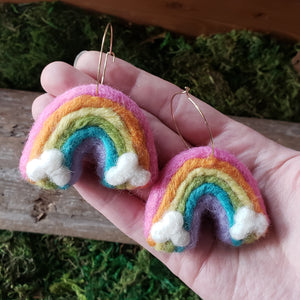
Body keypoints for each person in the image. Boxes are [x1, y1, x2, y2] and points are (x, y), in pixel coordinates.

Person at [32, 51, 300, 299]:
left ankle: (197, 214)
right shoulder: (90, 110)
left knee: (190, 194)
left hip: (190, 177)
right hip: (109, 130)